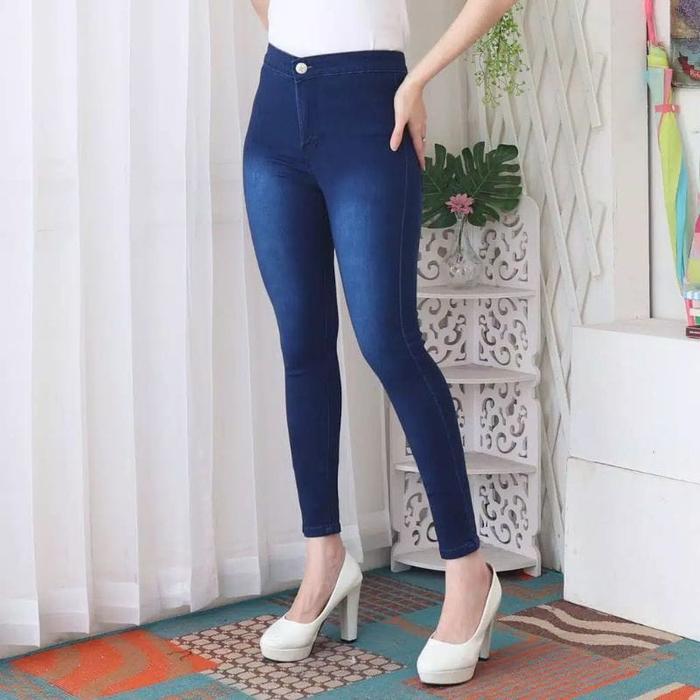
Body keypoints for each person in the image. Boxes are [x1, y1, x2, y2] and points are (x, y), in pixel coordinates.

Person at [244, 0, 519, 686]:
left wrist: (416, 79)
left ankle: (469, 572)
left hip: (372, 111)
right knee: (302, 346)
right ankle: (325, 559)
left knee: (389, 342)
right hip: (276, 112)